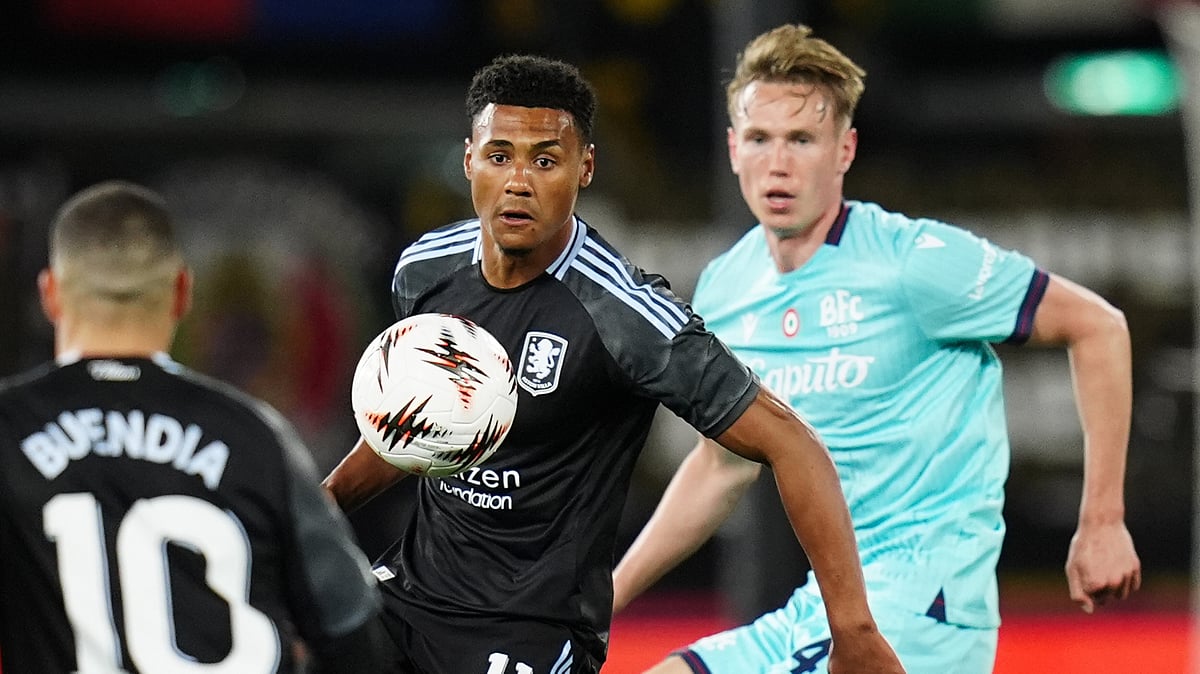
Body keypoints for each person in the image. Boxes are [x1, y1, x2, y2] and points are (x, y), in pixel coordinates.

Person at [322, 54, 904, 674]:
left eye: (545, 160)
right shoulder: (425, 270)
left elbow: (791, 442)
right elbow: (413, 429)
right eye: (499, 157)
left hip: (532, 631)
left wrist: (854, 630)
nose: (519, 180)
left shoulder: (626, 316)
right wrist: (309, 509)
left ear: (585, 168)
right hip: (406, 598)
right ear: (469, 160)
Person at [611, 22, 1144, 674]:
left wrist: (1102, 521)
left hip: (926, 609)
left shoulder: (915, 263)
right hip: (826, 606)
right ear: (732, 149)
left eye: (802, 140)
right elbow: (723, 467)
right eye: (760, 139)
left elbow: (1099, 326)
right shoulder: (728, 285)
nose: (778, 162)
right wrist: (606, 598)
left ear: (845, 150)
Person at [0, 180, 388, 673]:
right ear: (182, 291)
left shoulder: (10, 427)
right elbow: (351, 630)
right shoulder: (254, 435)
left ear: (51, 293)